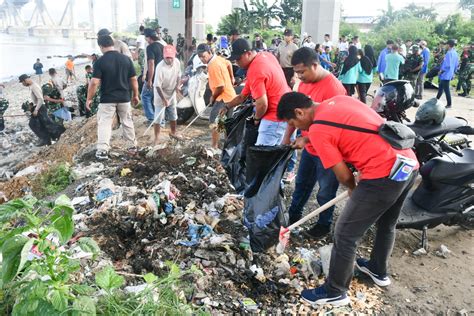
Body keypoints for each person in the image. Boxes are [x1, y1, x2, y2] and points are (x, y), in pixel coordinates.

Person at [277, 92, 418, 306]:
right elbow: (351, 128)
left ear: (299, 112)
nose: (297, 127)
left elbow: (343, 175)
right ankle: (377, 270)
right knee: (387, 224)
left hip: (381, 175)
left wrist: (353, 187)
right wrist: (308, 138)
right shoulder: (336, 101)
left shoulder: (319, 130)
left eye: (293, 123)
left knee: (344, 233)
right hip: (406, 163)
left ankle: (335, 291)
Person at [281, 47, 346, 237]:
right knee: (302, 184)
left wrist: (307, 137)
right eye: (297, 72)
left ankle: (324, 225)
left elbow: (336, 127)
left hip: (328, 150)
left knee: (325, 191)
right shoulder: (303, 85)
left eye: (302, 72)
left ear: (315, 65)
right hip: (310, 147)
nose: (299, 77)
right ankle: (293, 217)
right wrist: (288, 136)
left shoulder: (334, 88)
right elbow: (294, 113)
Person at [222, 38, 290, 146]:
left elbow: (262, 104)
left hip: (274, 116)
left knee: (261, 157)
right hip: (288, 110)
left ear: (248, 54)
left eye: (238, 59)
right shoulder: (267, 55)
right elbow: (242, 97)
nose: (237, 63)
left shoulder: (255, 69)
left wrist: (256, 119)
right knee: (283, 156)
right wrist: (227, 106)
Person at [86, 35, 139, 160]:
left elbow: (94, 83)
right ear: (113, 44)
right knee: (127, 121)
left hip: (107, 99)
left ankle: (103, 150)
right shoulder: (126, 60)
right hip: (124, 97)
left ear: (101, 46)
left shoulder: (100, 62)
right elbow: (133, 79)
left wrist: (89, 98)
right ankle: (132, 147)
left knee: (105, 122)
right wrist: (135, 95)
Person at [197, 44, 236, 148]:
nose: (202, 59)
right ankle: (227, 146)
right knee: (225, 121)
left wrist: (213, 97)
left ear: (209, 52)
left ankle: (214, 146)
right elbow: (228, 64)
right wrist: (232, 77)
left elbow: (220, 87)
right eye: (199, 57)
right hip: (230, 96)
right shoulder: (219, 58)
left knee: (214, 121)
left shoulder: (213, 65)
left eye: (203, 56)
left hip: (223, 97)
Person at [19, 74, 65, 146]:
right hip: (38, 106)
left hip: (40, 107)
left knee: (42, 123)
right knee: (42, 124)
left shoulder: (34, 86)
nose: (22, 84)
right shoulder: (32, 86)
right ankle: (47, 139)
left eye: (22, 82)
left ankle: (58, 133)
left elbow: (40, 99)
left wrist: (36, 110)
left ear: (25, 80)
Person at [152, 45, 182, 144]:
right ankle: (156, 137)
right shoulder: (160, 67)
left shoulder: (177, 62)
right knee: (158, 117)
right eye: (167, 57)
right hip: (160, 93)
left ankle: (173, 133)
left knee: (173, 115)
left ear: (174, 55)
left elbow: (179, 76)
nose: (169, 59)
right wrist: (164, 99)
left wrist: (177, 86)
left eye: (171, 57)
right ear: (163, 56)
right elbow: (157, 86)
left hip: (172, 92)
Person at [141, 28, 164, 124]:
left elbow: (151, 63)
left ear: (149, 37)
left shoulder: (150, 47)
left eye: (146, 37)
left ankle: (151, 119)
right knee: (158, 99)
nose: (146, 39)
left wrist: (149, 79)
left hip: (153, 77)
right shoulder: (162, 46)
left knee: (145, 96)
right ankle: (161, 120)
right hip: (162, 77)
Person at [437, 39, 459, 108]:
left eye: (446, 44)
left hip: (445, 73)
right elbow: (456, 64)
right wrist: (454, 72)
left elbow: (447, 65)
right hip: (449, 73)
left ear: (449, 45)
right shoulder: (455, 53)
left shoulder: (449, 53)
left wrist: (441, 71)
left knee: (446, 89)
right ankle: (436, 100)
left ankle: (449, 104)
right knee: (441, 87)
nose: (445, 45)